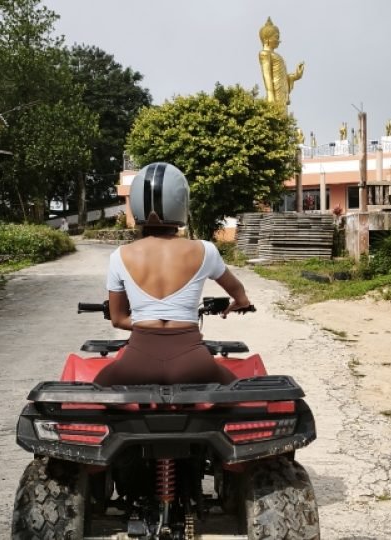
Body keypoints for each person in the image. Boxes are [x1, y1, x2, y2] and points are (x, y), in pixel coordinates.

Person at [93, 162, 251, 387]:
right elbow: (239, 293)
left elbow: (118, 320)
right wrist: (240, 302)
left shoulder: (120, 255)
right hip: (193, 361)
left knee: (94, 394)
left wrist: (147, 322)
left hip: (137, 361)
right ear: (182, 203)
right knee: (240, 396)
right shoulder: (205, 250)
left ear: (136, 205)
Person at [258, 17, 304, 111]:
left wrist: (295, 76)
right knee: (277, 115)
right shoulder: (264, 54)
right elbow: (266, 75)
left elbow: (282, 76)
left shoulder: (277, 56)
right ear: (267, 39)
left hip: (281, 91)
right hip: (274, 91)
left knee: (283, 117)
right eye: (276, 37)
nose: (279, 40)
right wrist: (270, 94)